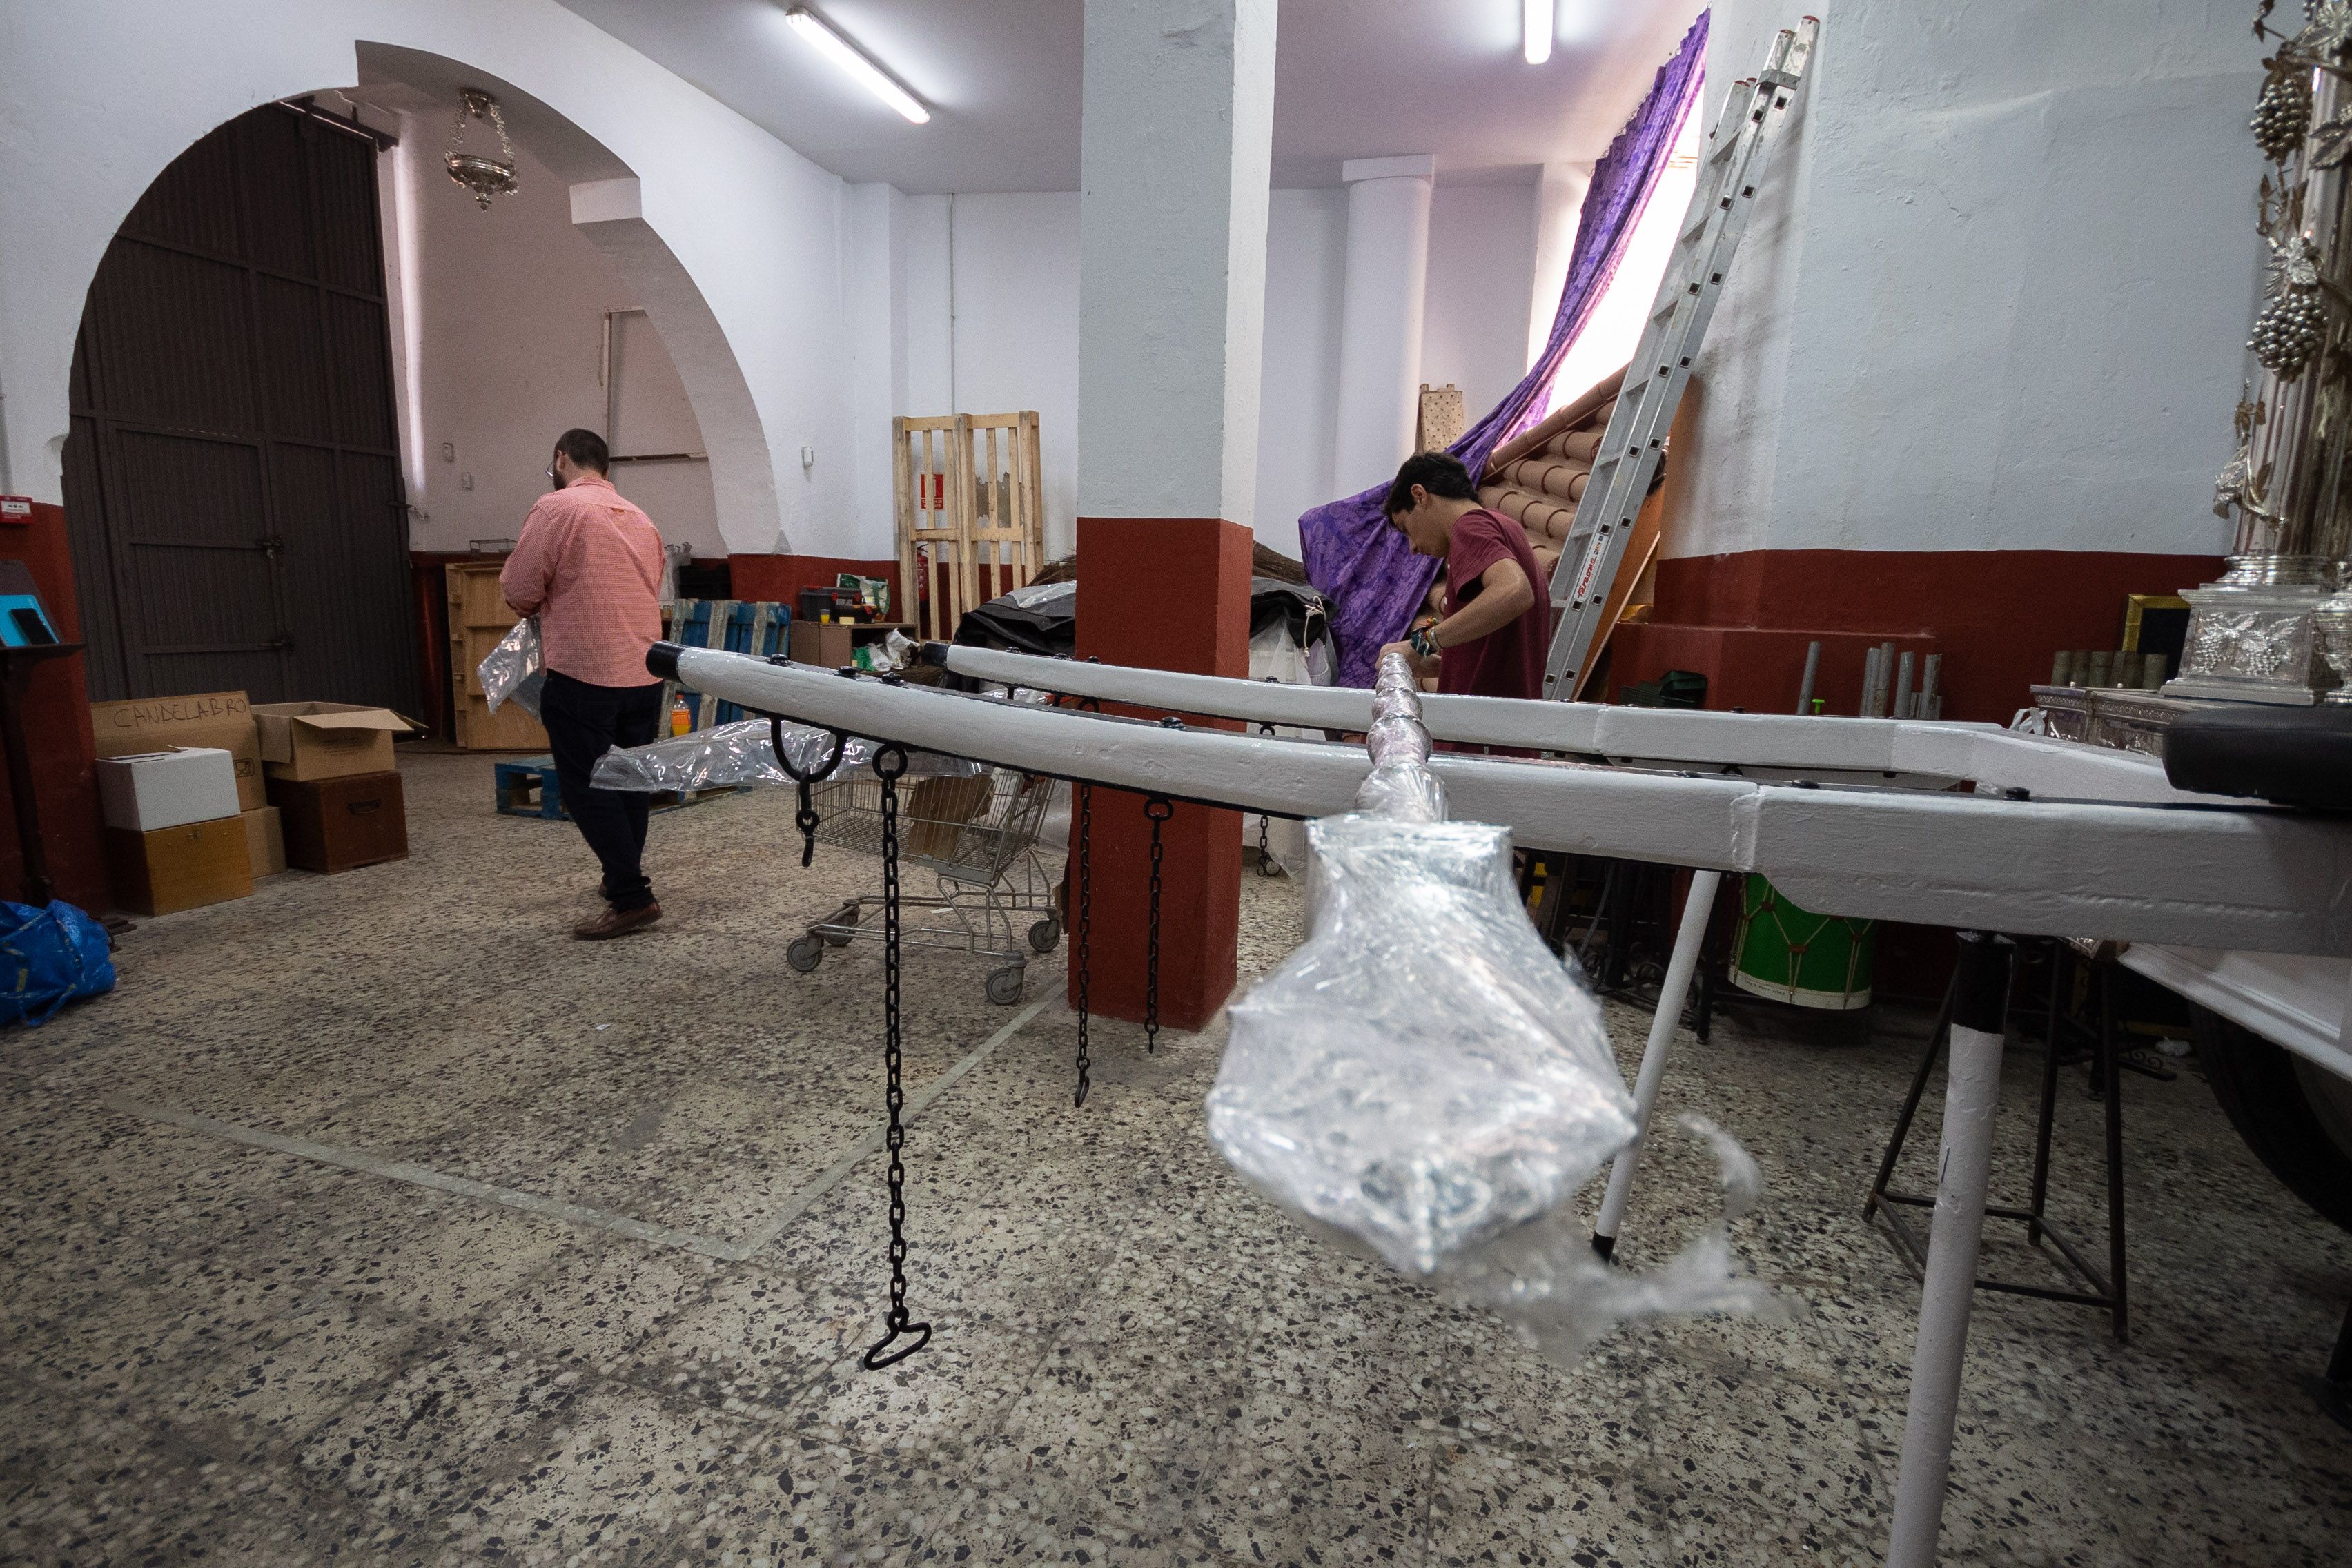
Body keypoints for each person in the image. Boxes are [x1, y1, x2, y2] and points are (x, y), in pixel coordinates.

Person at [500, 428, 668, 939]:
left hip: (585, 670)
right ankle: (621, 875)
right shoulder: (642, 518)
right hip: (645, 667)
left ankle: (631, 898)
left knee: (587, 783)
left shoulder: (557, 509)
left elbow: (519, 587)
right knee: (629, 778)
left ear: (561, 459)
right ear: (606, 466)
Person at [1377, 451, 1549, 706]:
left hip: (1483, 735)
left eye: (1406, 529)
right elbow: (1495, 646)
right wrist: (1437, 666)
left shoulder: (1469, 527)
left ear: (1419, 495)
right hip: (1508, 727)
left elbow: (1516, 591)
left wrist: (1421, 643)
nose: (1413, 547)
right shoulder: (1505, 525)